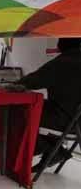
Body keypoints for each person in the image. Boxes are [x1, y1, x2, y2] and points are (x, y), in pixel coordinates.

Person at [15, 38, 81, 168]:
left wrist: (15, 84)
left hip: (63, 120)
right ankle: (55, 149)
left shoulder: (61, 63)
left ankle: (52, 149)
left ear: (59, 46)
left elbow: (33, 81)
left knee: (21, 112)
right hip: (78, 123)